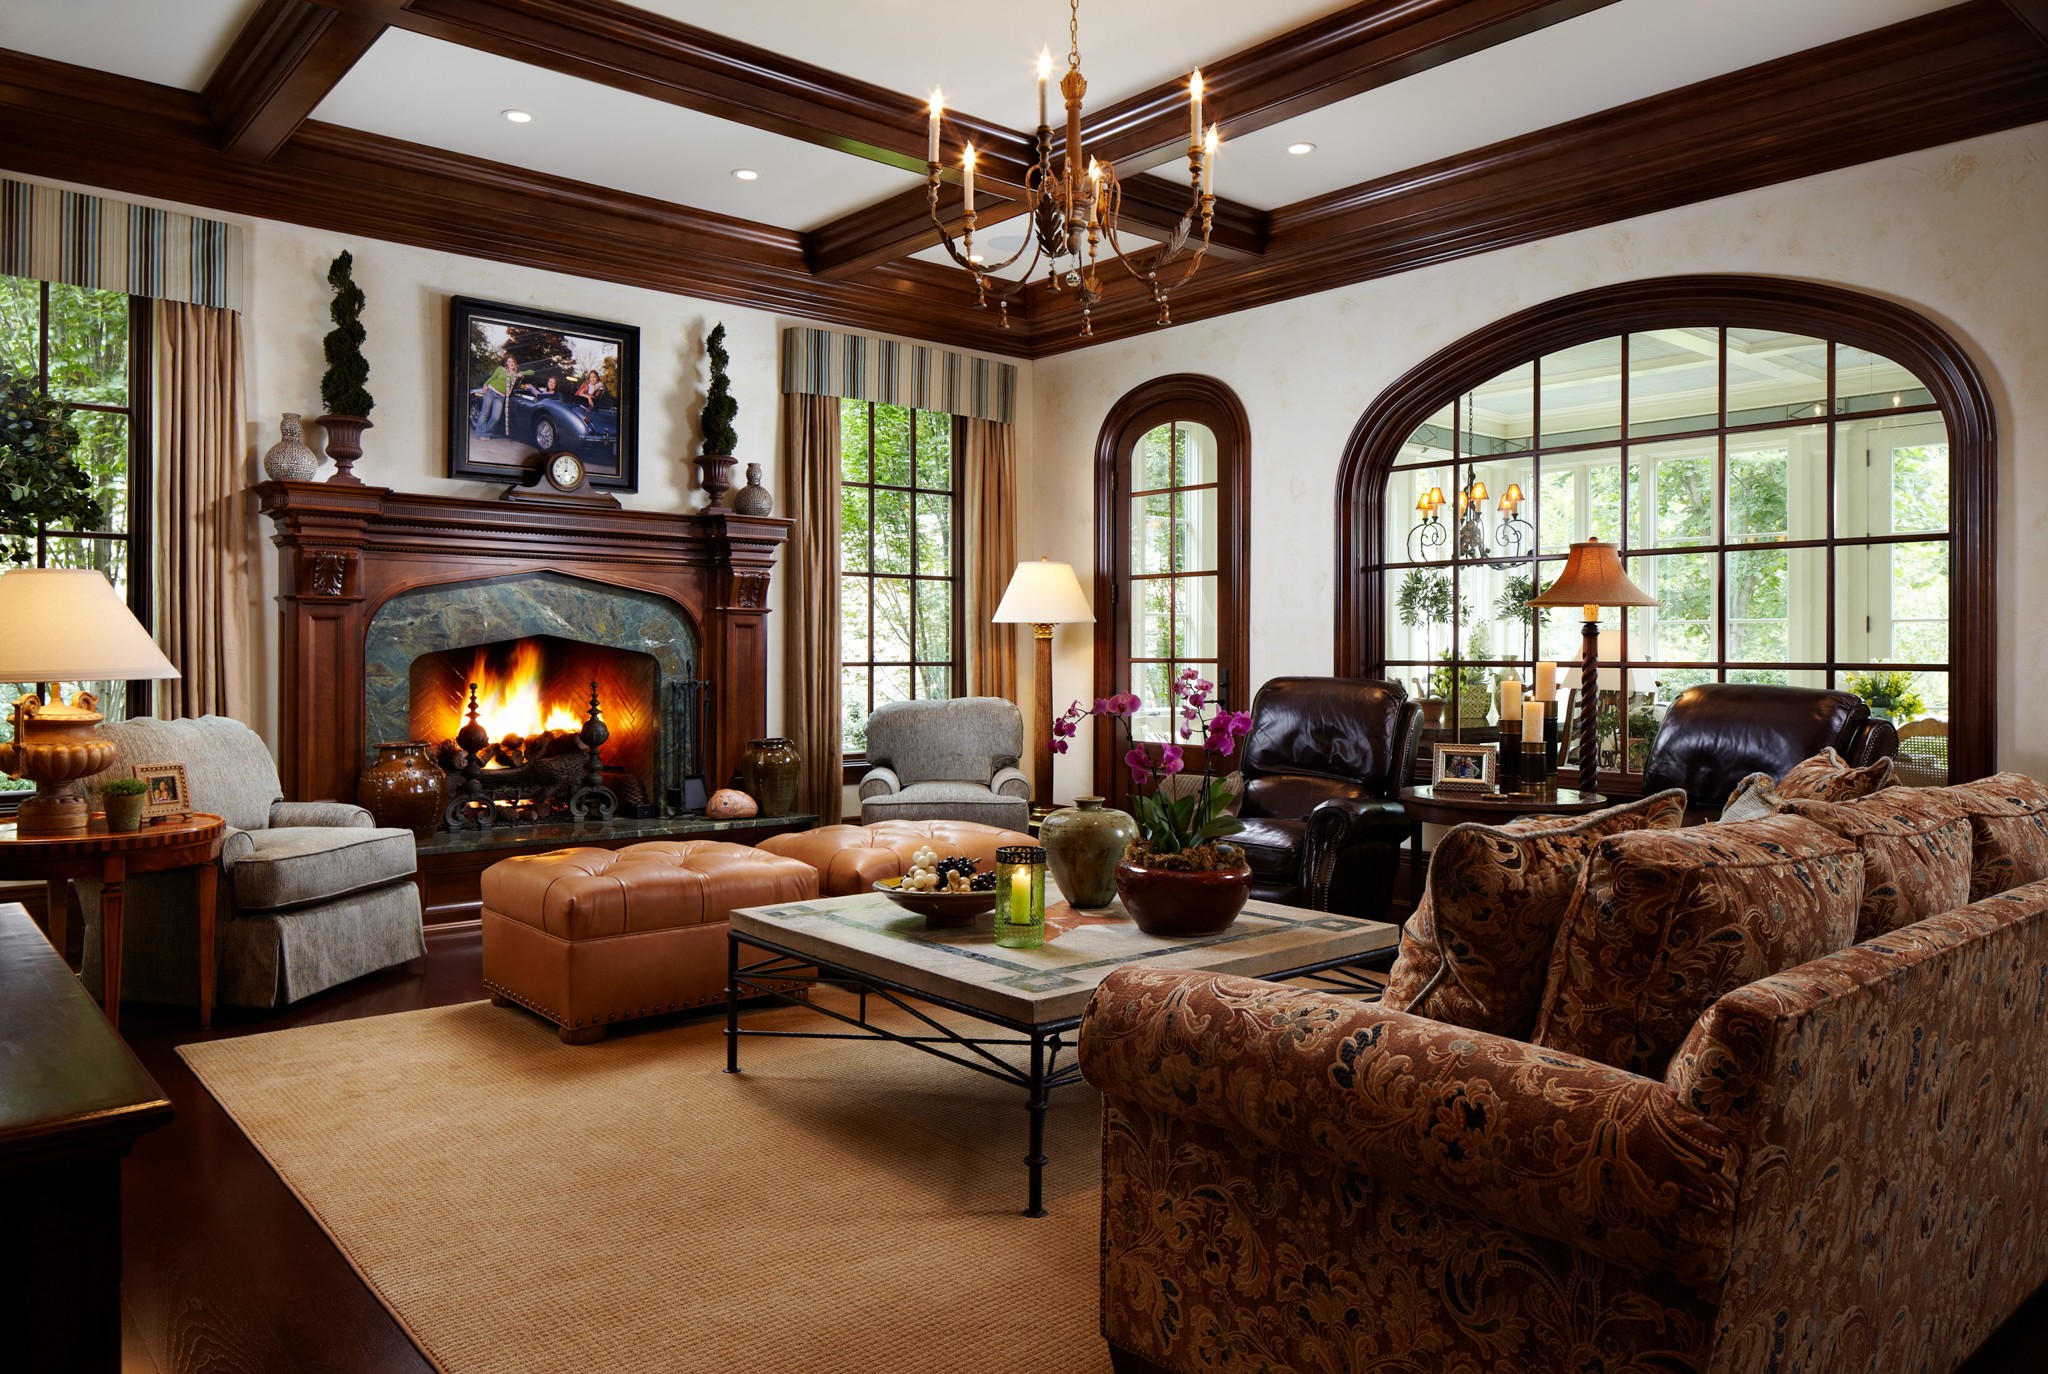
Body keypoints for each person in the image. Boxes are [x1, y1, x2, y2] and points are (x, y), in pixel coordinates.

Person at [472, 351, 515, 438]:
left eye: (513, 362)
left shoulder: (514, 375)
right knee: (484, 413)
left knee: (496, 417)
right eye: (509, 361)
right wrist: (485, 384)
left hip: (501, 397)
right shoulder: (500, 369)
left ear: (515, 363)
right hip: (491, 392)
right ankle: (480, 434)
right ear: (506, 362)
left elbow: (529, 373)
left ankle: (487, 433)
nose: (511, 363)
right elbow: (493, 378)